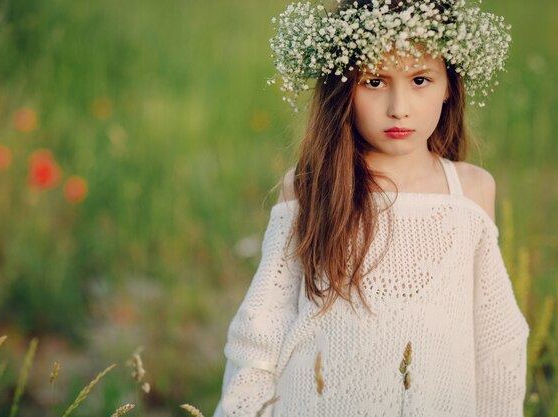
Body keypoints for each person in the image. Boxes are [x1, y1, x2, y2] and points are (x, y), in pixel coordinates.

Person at [213, 1, 529, 416]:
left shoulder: (468, 193)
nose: (399, 106)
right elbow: (261, 330)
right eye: (375, 82)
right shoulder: (310, 188)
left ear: (449, 84)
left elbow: (497, 344)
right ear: (345, 87)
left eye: (420, 79)